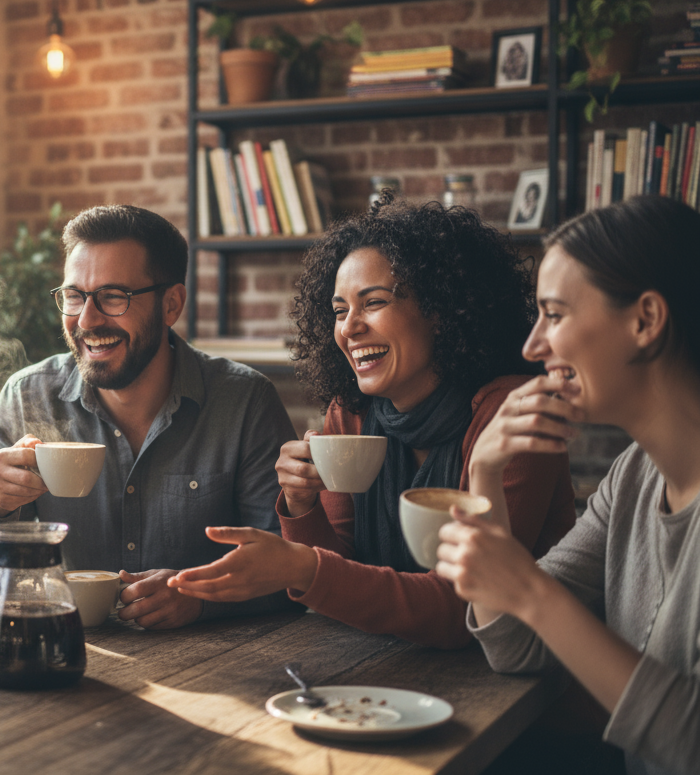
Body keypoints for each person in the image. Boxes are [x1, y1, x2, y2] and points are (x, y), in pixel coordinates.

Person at [167, 197, 575, 648]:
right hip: (381, 662)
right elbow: (342, 565)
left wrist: (302, 567)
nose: (348, 328)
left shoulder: (508, 414)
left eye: (373, 303)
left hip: (513, 676)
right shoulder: (352, 412)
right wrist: (302, 505)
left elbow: (472, 609)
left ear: (440, 311)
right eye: (340, 310)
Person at [437, 196, 700, 775]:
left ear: (646, 321)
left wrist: (532, 593)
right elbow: (515, 647)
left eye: (553, 315)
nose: (532, 347)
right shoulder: (633, 477)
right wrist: (483, 470)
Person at [0, 204, 296, 630]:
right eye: (74, 296)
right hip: (67, 657)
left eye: (114, 297)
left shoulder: (244, 403)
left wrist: (200, 599)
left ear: (171, 304)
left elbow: (289, 572)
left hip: (214, 670)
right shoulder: (27, 397)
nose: (87, 319)